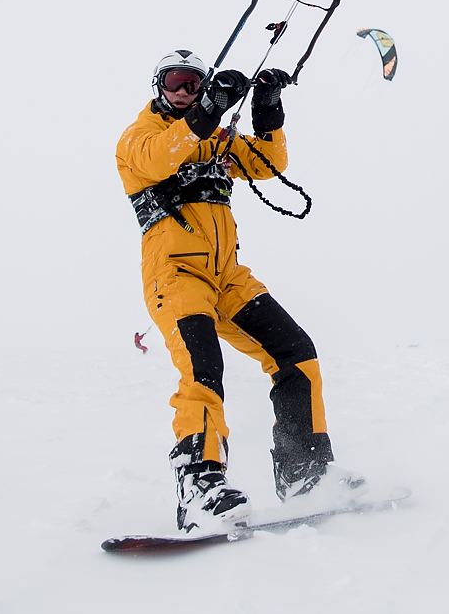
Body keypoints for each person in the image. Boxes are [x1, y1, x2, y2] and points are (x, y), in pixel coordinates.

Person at [115, 50, 364, 534]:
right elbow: (158, 159)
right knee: (202, 369)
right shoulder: (139, 137)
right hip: (175, 276)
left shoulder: (218, 140)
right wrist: (208, 111)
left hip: (227, 276)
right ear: (159, 87)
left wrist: (266, 107)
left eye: (195, 83)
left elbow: (269, 163)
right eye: (177, 83)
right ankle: (200, 487)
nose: (185, 91)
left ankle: (304, 474)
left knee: (295, 351)